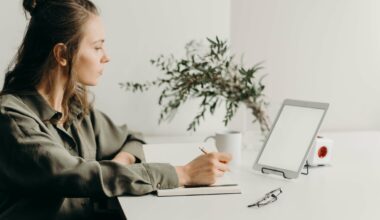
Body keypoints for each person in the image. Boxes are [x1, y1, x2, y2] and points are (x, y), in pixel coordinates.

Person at [0, 0, 232, 219]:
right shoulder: (12, 119)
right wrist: (183, 174)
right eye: (97, 47)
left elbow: (133, 139)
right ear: (62, 54)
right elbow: (78, 175)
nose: (107, 57)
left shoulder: (76, 109)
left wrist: (122, 161)